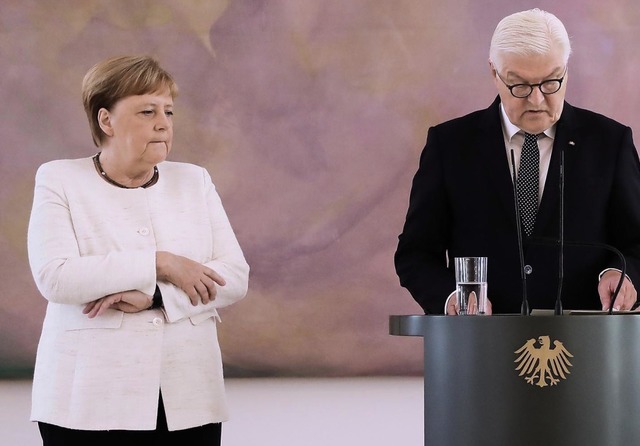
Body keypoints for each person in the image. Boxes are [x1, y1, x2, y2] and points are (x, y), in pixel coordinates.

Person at [27, 55, 249, 445]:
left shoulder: (194, 180)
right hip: (87, 399)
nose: (163, 123)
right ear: (105, 120)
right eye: (147, 111)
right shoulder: (59, 179)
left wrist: (156, 297)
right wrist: (162, 263)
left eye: (168, 111)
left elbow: (234, 277)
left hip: (187, 396)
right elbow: (56, 276)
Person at [395, 9, 640, 315]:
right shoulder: (450, 146)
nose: (536, 100)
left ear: (566, 69)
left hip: (585, 348)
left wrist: (623, 274)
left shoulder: (610, 142)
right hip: (480, 345)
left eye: (551, 82)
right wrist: (450, 298)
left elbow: (635, 243)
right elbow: (416, 253)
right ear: (493, 73)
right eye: (519, 86)